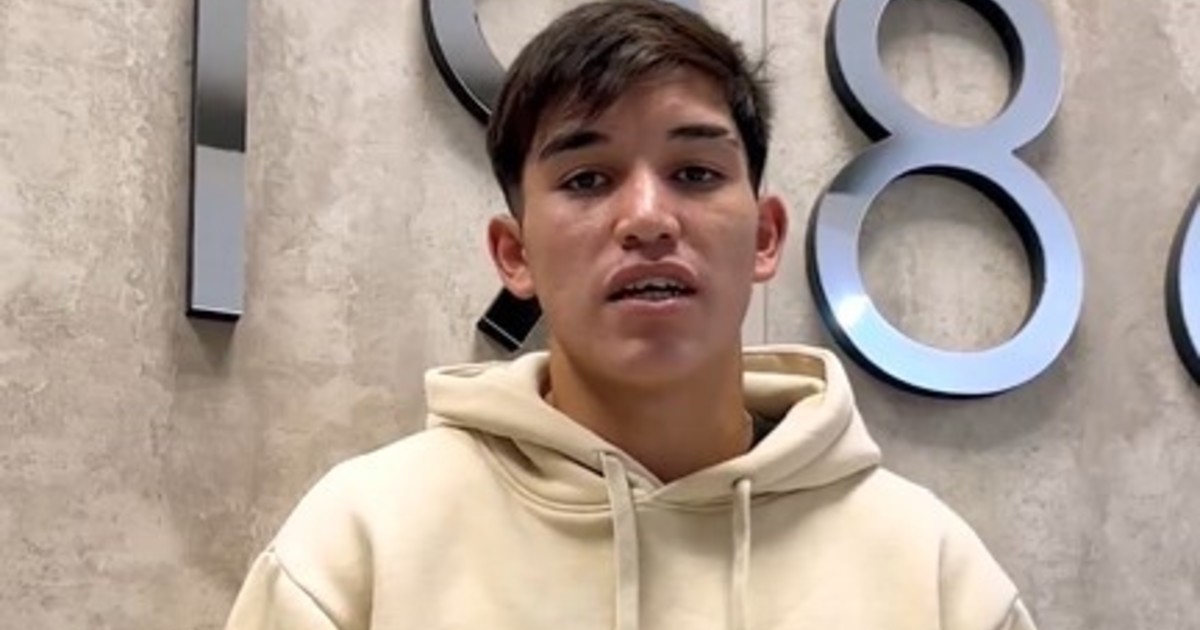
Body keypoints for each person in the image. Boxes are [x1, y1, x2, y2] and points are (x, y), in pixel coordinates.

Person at [224, 1, 1037, 629]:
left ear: (764, 237)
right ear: (514, 255)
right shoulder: (362, 543)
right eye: (587, 179)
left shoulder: (931, 570)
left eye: (695, 172)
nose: (648, 218)